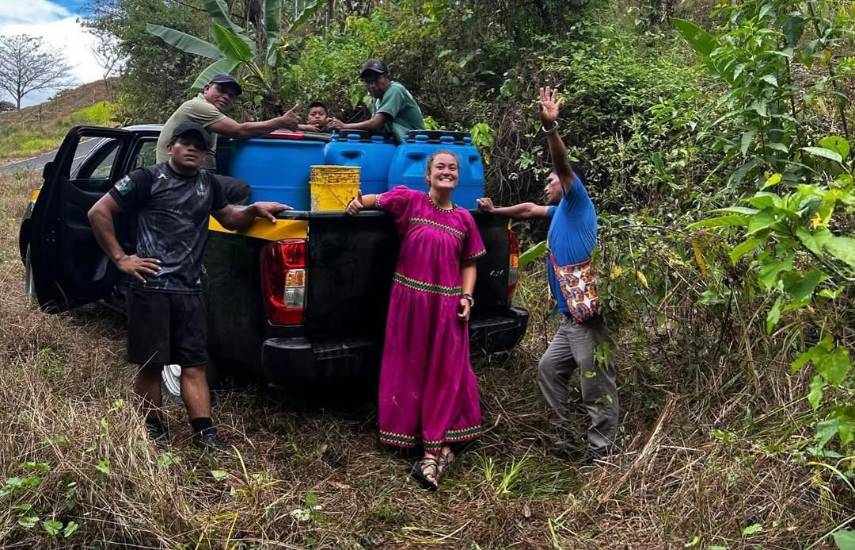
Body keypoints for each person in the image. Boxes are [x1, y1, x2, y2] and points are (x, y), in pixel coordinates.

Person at [89, 122, 291, 450]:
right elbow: (99, 212)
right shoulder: (146, 179)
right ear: (171, 147)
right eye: (185, 143)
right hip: (151, 288)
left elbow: (229, 219)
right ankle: (152, 427)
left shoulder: (209, 185)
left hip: (190, 289)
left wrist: (253, 209)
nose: (192, 149)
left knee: (195, 364)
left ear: (206, 154)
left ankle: (205, 433)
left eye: (199, 146)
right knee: (152, 363)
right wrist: (121, 259)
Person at [477, 87, 619, 464]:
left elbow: (564, 167)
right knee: (548, 370)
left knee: (595, 383)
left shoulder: (577, 203)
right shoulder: (558, 213)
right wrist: (495, 211)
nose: (548, 184)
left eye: (552, 180)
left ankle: (601, 452)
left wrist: (550, 130)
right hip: (568, 318)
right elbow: (527, 210)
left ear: (568, 183)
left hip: (586, 317)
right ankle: (562, 438)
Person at [346, 151, 485, 490]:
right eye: (440, 167)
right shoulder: (410, 201)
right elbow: (376, 199)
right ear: (427, 175)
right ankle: (420, 442)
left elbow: (469, 262)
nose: (447, 172)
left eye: (453, 168)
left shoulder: (465, 219)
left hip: (447, 306)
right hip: (409, 303)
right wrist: (357, 202)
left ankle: (433, 453)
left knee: (447, 371)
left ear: (459, 177)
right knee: (408, 367)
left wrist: (466, 297)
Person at [155, 73, 300, 204]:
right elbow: (240, 130)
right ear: (206, 89)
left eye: (231, 95)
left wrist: (299, 127)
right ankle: (226, 229)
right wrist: (280, 121)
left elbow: (253, 130)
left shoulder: (211, 116)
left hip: (192, 175)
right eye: (221, 90)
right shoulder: (197, 106)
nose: (226, 97)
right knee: (240, 189)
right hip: (178, 178)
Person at [326, 60, 425, 143]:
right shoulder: (377, 98)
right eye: (368, 82)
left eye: (377, 79)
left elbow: (376, 124)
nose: (372, 86)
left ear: (386, 77)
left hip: (415, 144)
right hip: (400, 144)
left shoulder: (394, 90)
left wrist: (344, 126)